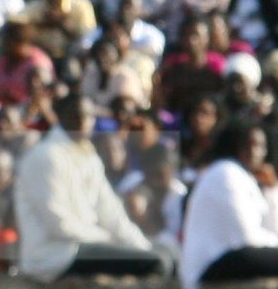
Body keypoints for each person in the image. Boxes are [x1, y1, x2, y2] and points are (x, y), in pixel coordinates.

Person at [14, 93, 165, 278]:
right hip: (55, 255)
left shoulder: (89, 156)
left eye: (89, 115)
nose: (83, 121)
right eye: (76, 115)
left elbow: (110, 210)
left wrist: (139, 244)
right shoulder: (45, 156)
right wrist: (107, 240)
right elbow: (59, 224)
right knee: (153, 264)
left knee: (166, 257)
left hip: (85, 244)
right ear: (61, 116)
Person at [179, 123, 278, 289]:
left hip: (235, 257)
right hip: (210, 266)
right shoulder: (225, 173)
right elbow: (247, 238)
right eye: (248, 145)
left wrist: (273, 191)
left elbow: (276, 230)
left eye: (260, 146)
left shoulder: (245, 178)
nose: (254, 152)